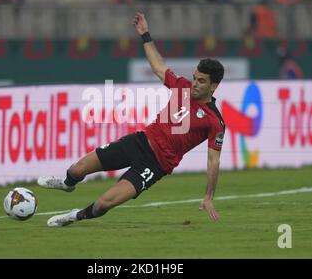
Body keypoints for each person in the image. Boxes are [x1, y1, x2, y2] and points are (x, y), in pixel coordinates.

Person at [38, 12, 226, 227]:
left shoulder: (215, 121)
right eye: (194, 78)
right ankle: (67, 183)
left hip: (155, 165)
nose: (194, 84)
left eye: (201, 81)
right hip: (138, 142)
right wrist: (145, 34)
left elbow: (213, 161)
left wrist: (208, 196)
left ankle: (73, 216)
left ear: (213, 86)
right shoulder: (181, 87)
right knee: (77, 169)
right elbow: (158, 66)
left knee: (104, 204)